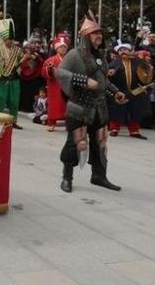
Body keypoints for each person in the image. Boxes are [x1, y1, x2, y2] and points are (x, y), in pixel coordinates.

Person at [54, 12, 125, 193]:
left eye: (100, 33)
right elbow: (60, 73)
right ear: (85, 36)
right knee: (74, 143)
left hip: (99, 108)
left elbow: (102, 82)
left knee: (100, 143)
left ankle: (99, 176)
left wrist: (115, 92)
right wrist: (83, 81)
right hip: (79, 107)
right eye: (95, 33)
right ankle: (67, 178)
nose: (99, 36)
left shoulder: (100, 56)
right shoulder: (74, 54)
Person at [106, 42, 149, 139]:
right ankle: (114, 129)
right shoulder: (113, 63)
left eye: (125, 50)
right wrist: (110, 74)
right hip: (119, 90)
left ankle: (134, 131)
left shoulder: (138, 62)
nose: (123, 52)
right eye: (120, 50)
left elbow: (147, 74)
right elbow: (107, 78)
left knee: (135, 110)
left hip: (136, 91)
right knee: (116, 110)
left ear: (130, 51)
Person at [0, 19, 25, 129]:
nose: (10, 41)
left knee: (14, 101)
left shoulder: (17, 50)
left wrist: (27, 59)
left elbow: (23, 62)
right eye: (7, 39)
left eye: (11, 39)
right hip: (2, 78)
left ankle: (13, 121)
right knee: (0, 100)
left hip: (14, 78)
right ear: (4, 39)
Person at [41, 35, 69, 132]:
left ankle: (69, 124)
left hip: (67, 86)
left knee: (67, 105)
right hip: (54, 86)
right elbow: (44, 73)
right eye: (61, 47)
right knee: (54, 104)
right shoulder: (50, 60)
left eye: (65, 47)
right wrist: (49, 70)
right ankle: (51, 123)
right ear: (57, 48)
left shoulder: (70, 59)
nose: (63, 49)